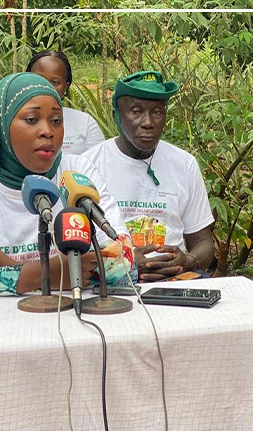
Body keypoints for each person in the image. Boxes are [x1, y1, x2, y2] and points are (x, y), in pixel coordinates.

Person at [0, 73, 133, 298]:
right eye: (32, 120)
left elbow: (123, 263)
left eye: (56, 121)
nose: (47, 131)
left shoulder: (77, 172)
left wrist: (4, 266)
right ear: (2, 124)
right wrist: (47, 274)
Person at [81, 70, 215, 283]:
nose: (148, 122)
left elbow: (204, 243)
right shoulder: (88, 166)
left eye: (157, 112)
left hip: (176, 280)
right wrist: (125, 264)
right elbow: (73, 252)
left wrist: (188, 260)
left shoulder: (184, 164)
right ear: (116, 114)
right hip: (112, 283)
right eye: (135, 111)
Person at [26, 50, 106, 155]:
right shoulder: (12, 121)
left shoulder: (85, 123)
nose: (46, 87)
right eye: (39, 79)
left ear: (65, 87)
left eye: (54, 82)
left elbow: (99, 165)